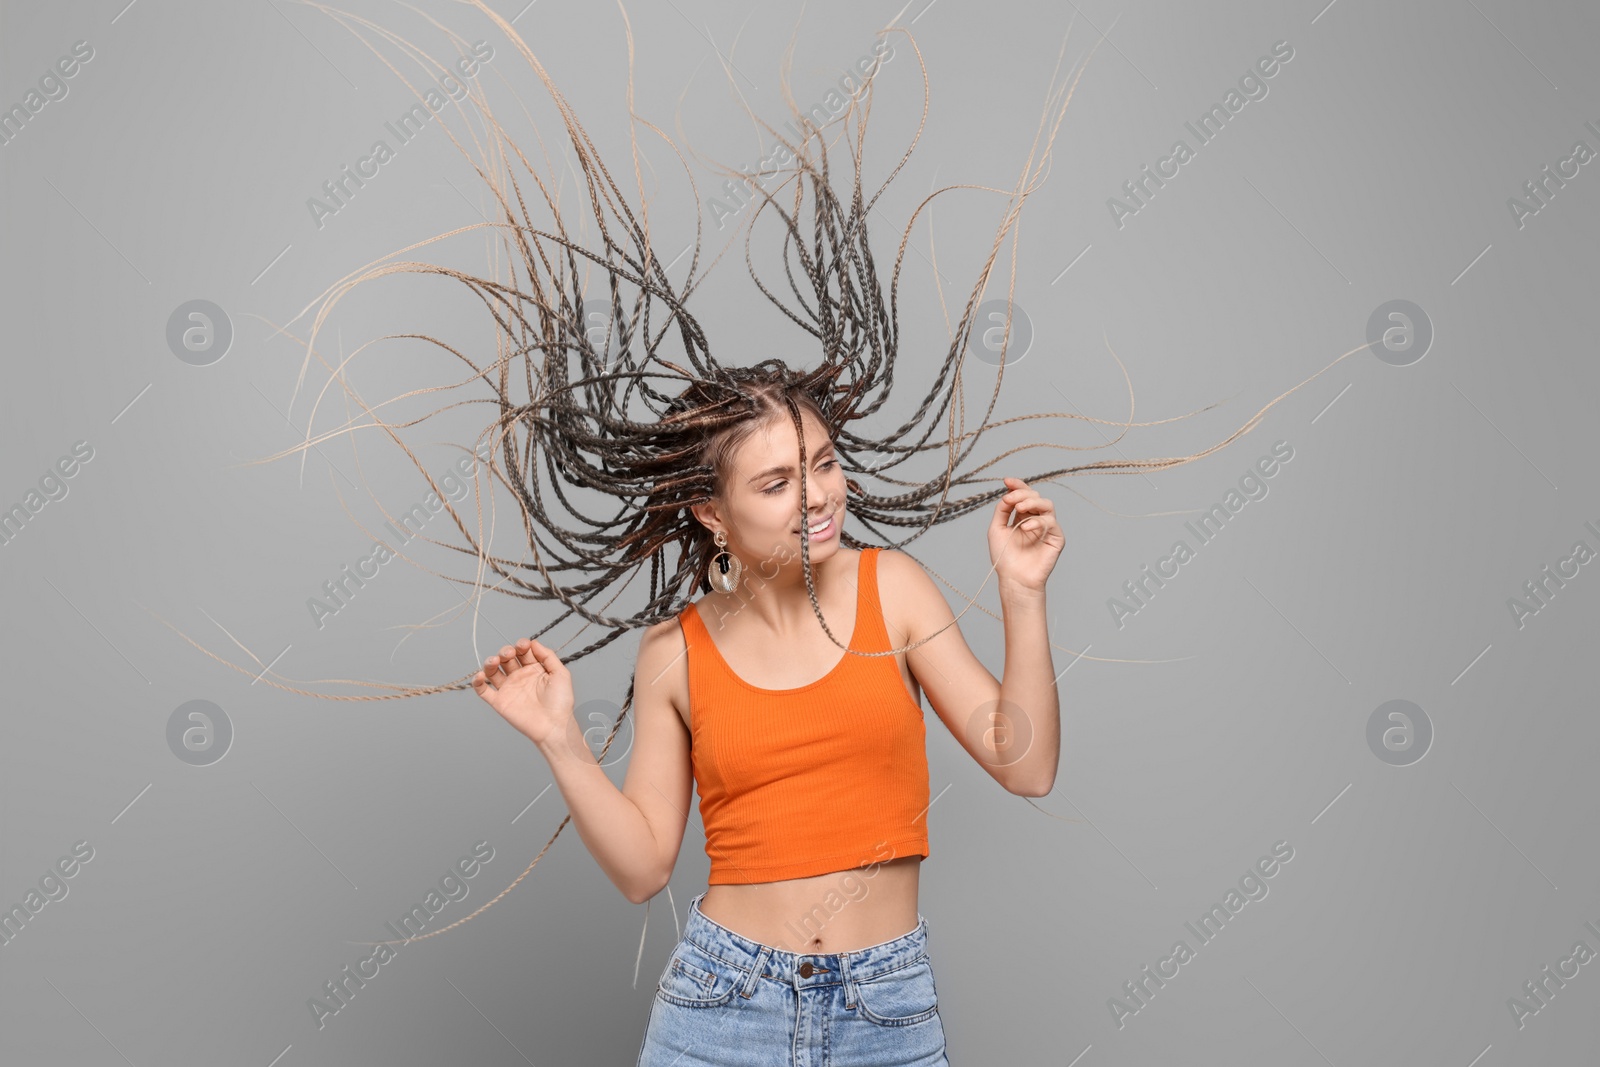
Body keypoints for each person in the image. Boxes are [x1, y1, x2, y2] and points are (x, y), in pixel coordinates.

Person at [470, 385, 1063, 1063]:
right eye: (778, 482)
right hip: (721, 1005)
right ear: (711, 510)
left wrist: (1022, 594)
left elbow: (1027, 765)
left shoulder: (894, 588)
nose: (816, 496)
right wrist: (560, 738)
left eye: (825, 464)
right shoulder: (674, 649)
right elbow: (642, 870)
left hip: (884, 1005)